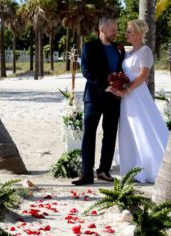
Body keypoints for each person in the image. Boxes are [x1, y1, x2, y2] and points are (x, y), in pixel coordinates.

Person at [109, 19, 169, 183]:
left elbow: (143, 75)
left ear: (138, 34)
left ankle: (149, 166)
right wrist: (117, 85)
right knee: (129, 130)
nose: (126, 34)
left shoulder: (145, 51)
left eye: (129, 31)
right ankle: (132, 167)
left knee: (143, 127)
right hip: (126, 97)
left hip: (137, 94)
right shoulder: (127, 53)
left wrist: (126, 89)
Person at [71, 17, 125, 186]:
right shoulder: (89, 46)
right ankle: (86, 173)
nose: (115, 32)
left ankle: (103, 170)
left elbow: (122, 70)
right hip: (94, 98)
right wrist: (104, 86)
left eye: (116, 29)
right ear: (102, 29)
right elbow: (86, 71)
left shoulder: (119, 49)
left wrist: (121, 86)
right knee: (89, 134)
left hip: (114, 99)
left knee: (110, 135)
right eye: (113, 29)